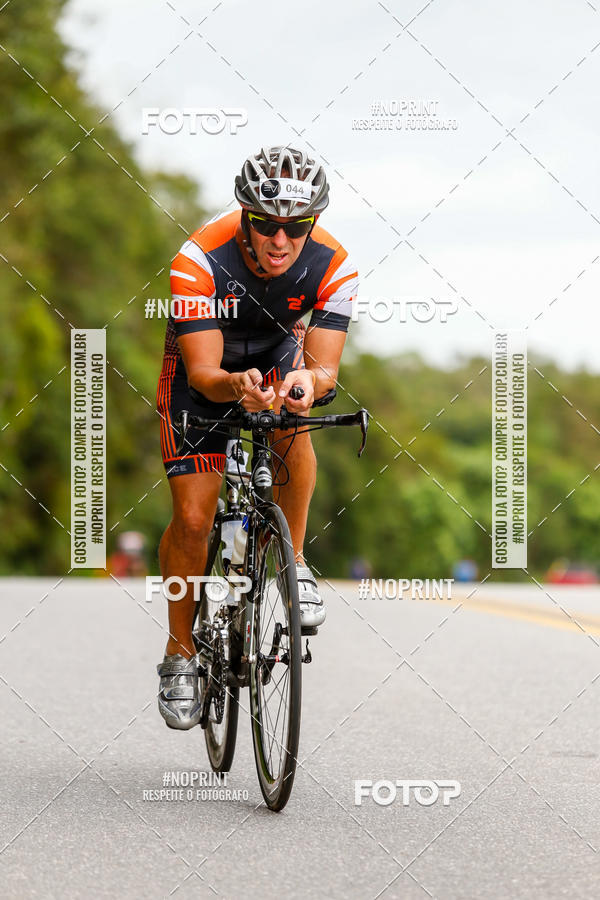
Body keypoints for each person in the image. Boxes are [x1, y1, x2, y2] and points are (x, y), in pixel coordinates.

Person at [156, 145, 358, 729]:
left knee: (295, 422)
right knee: (193, 518)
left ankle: (292, 563)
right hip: (203, 374)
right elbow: (204, 374)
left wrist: (306, 383)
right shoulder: (198, 261)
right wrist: (234, 387)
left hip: (275, 356)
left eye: (297, 226)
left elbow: (324, 370)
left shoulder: (334, 264)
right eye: (266, 224)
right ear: (245, 215)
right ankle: (180, 653)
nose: (280, 239)